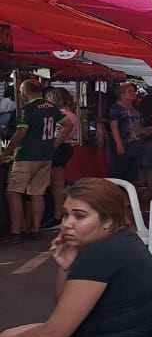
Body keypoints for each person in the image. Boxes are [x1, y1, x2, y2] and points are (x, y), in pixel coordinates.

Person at [0, 178, 152, 337]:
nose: (67, 223)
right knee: (13, 336)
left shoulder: (100, 254)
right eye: (66, 214)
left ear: (108, 221)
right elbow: (64, 305)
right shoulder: (123, 241)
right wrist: (66, 268)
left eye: (79, 216)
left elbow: (53, 333)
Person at [2, 80, 67, 242]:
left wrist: (6, 153)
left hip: (26, 156)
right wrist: (55, 144)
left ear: (24, 91)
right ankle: (35, 229)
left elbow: (21, 133)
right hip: (45, 156)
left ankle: (16, 232)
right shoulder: (52, 107)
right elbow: (69, 124)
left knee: (14, 192)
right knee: (37, 193)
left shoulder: (27, 109)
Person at [42, 87, 78, 231]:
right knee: (58, 183)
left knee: (57, 184)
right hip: (66, 147)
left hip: (60, 147)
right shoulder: (71, 113)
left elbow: (59, 132)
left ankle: (58, 215)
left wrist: (54, 145)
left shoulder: (61, 114)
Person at [107, 82, 144, 185]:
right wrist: (119, 144)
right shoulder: (116, 109)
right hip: (123, 143)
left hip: (135, 145)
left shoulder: (134, 108)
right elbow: (114, 126)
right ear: (121, 94)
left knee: (133, 173)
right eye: (130, 92)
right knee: (120, 171)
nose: (133, 94)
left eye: (134, 91)